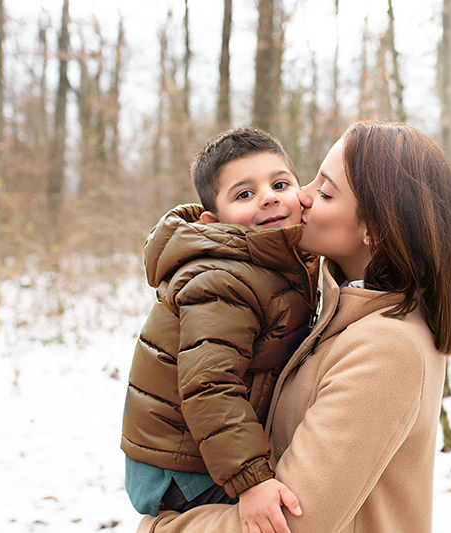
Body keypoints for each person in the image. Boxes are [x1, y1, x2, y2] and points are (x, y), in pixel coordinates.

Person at [136, 120, 451, 533]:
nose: (300, 197)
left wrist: (159, 528)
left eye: (324, 192)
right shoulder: (333, 310)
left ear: (373, 231)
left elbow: (292, 523)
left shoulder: (384, 347)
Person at [121, 128, 318, 527]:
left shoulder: (284, 263)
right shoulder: (220, 279)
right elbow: (210, 384)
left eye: (280, 184)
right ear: (215, 221)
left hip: (204, 448)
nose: (268, 197)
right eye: (244, 194)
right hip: (178, 465)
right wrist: (251, 481)